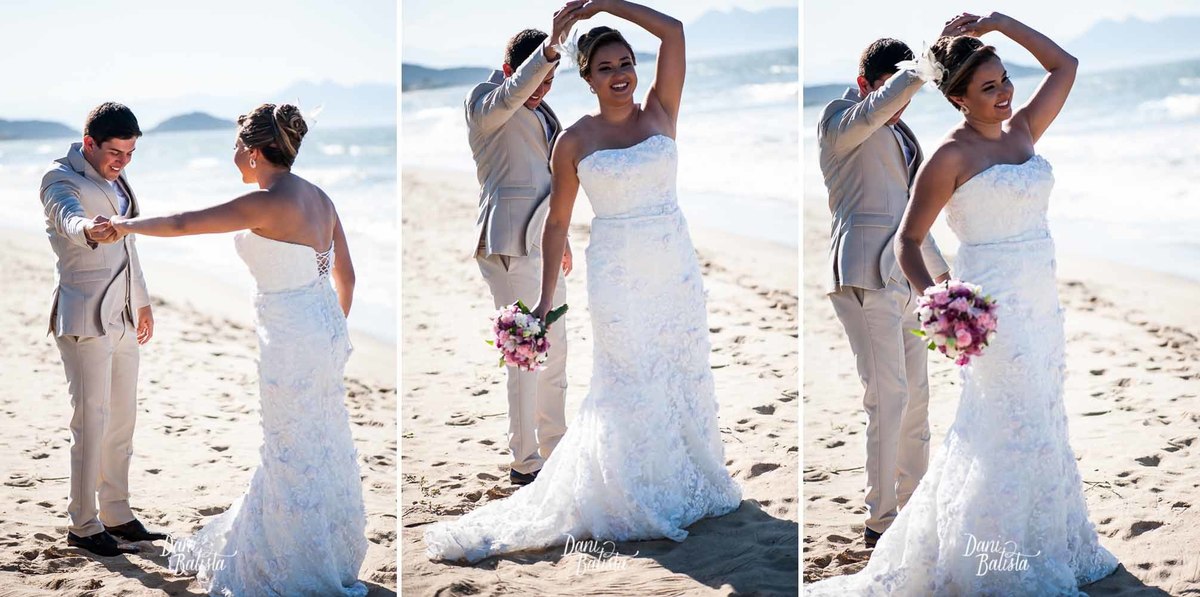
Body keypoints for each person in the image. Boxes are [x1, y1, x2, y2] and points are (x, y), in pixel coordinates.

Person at [808, 13, 1119, 594]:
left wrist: (999, 22)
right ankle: (976, 548)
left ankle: (1044, 538)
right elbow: (907, 240)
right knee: (995, 420)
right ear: (957, 98)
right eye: (988, 86)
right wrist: (943, 306)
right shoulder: (948, 155)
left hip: (1039, 305)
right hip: (988, 309)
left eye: (1004, 81)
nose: (1004, 94)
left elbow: (1066, 65)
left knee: (1041, 417)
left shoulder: (1024, 131)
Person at [424, 0, 742, 563]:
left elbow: (674, 31)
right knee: (627, 375)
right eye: (605, 68)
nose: (620, 75)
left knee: (679, 366)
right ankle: (616, 480)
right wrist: (543, 302)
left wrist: (602, 5)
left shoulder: (662, 111)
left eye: (626, 63)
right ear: (586, 78)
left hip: (673, 266)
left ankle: (685, 474)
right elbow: (558, 224)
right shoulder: (572, 140)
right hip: (617, 271)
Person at [110, 103, 368, 595]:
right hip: (325, 331)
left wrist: (125, 226)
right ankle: (327, 550)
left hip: (291, 338)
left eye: (235, 146)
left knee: (290, 445)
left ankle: (294, 561)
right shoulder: (320, 197)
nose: (233, 153)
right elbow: (346, 276)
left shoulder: (267, 201)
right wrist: (330, 329)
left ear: (252, 152)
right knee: (320, 440)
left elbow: (185, 223)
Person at [40, 102, 168, 558]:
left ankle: (116, 512)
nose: (122, 162)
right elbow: (67, 217)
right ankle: (83, 523)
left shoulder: (118, 177)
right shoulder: (59, 179)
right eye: (116, 152)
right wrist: (90, 229)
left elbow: (129, 246)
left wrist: (145, 301)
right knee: (90, 421)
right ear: (89, 142)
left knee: (121, 420)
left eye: (130, 153)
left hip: (125, 316)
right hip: (83, 317)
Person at [465, 3, 583, 486]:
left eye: (552, 81)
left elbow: (551, 179)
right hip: (510, 242)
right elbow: (514, 94)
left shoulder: (544, 106)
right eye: (539, 78)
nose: (543, 90)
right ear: (515, 68)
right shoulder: (485, 100)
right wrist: (552, 45)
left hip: (544, 243)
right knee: (526, 351)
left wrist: (564, 238)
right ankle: (525, 462)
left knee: (556, 349)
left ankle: (554, 449)